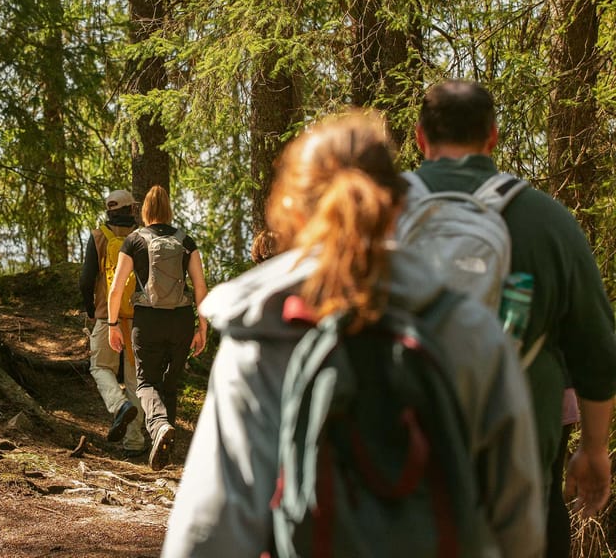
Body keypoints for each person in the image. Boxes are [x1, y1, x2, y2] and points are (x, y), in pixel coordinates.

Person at [162, 110, 544, 557]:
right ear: (399, 206)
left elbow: (212, 530)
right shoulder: (470, 331)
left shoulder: (261, 334)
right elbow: (519, 521)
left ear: (289, 211)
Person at [413, 80, 616, 555]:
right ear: (493, 138)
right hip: (520, 465)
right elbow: (597, 354)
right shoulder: (548, 221)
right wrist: (593, 448)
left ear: (421, 138)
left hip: (397, 466)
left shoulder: (370, 214)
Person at [106, 185, 208, 471]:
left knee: (146, 382)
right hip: (181, 319)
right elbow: (199, 286)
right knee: (170, 385)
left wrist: (113, 324)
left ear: (146, 211)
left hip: (148, 319)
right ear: (169, 211)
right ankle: (165, 451)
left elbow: (116, 289)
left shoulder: (134, 240)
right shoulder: (185, 241)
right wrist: (202, 326)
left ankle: (159, 426)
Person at [78, 189, 146, 457]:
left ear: (108, 210)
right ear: (131, 209)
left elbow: (86, 279)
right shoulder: (142, 237)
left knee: (99, 367)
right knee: (134, 380)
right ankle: (135, 443)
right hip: (137, 317)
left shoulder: (98, 237)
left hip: (107, 316)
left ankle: (118, 406)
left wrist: (90, 309)